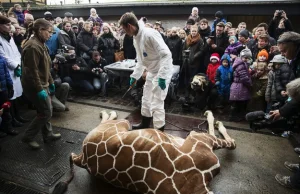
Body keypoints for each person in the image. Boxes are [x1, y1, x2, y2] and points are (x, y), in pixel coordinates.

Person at [119, 12, 173, 131]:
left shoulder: (150, 34)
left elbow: (166, 54)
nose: (125, 32)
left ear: (129, 26)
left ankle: (159, 131)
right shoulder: (136, 38)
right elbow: (140, 60)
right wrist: (135, 76)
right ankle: (145, 123)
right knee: (146, 98)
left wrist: (162, 76)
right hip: (152, 71)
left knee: (157, 101)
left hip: (162, 71)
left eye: (124, 29)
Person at [21, 19, 61, 150]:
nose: (50, 35)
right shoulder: (33, 46)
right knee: (46, 112)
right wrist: (39, 88)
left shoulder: (41, 43)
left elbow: (45, 66)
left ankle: (47, 135)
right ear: (40, 30)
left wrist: (50, 82)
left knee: (43, 110)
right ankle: (28, 137)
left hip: (42, 83)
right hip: (34, 85)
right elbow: (32, 71)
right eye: (49, 32)